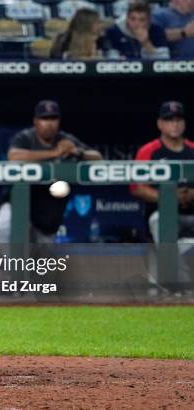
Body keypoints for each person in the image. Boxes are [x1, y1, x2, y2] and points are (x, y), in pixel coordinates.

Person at [0, 100, 103, 244]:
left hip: (49, 213)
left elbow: (97, 157)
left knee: (42, 263)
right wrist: (54, 153)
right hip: (20, 204)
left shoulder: (65, 139)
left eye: (53, 118)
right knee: (7, 226)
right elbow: (14, 156)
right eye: (44, 118)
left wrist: (77, 152)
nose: (49, 123)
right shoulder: (26, 137)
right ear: (35, 121)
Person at [131, 101, 194, 292]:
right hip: (163, 214)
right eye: (169, 120)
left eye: (178, 119)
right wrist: (168, 197)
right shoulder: (149, 151)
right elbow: (137, 188)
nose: (174, 124)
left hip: (191, 212)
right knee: (162, 220)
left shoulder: (192, 149)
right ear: (160, 124)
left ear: (184, 123)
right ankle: (183, 289)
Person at [106, 0, 170, 59]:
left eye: (142, 20)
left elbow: (163, 61)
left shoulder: (157, 31)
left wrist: (146, 43)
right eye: (133, 19)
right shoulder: (114, 31)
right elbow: (111, 59)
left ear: (148, 21)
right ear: (127, 18)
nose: (136, 23)